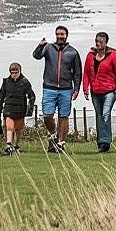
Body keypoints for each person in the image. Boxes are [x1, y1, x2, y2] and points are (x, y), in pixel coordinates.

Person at [32, 25, 82, 153]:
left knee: (64, 116)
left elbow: (77, 73)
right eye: (58, 34)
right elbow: (36, 56)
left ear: (66, 36)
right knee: (47, 115)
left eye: (62, 34)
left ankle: (61, 143)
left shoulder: (73, 52)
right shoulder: (48, 48)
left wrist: (76, 89)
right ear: (55, 35)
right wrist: (40, 45)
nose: (60, 36)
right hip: (49, 88)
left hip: (66, 89)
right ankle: (54, 134)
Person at [82, 31, 116, 153]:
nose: (98, 44)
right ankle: (100, 142)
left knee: (105, 114)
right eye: (97, 41)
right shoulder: (90, 55)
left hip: (109, 91)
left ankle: (105, 141)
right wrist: (85, 89)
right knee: (99, 116)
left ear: (106, 43)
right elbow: (86, 74)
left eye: (101, 42)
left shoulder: (113, 56)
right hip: (96, 91)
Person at [0, 61, 35, 155]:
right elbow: (1, 96)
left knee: (18, 129)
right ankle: (9, 145)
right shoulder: (5, 82)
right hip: (8, 108)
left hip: (20, 109)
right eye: (12, 72)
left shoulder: (25, 82)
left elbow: (32, 96)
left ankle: (16, 145)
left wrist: (29, 110)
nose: (14, 74)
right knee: (9, 127)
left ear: (20, 71)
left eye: (16, 72)